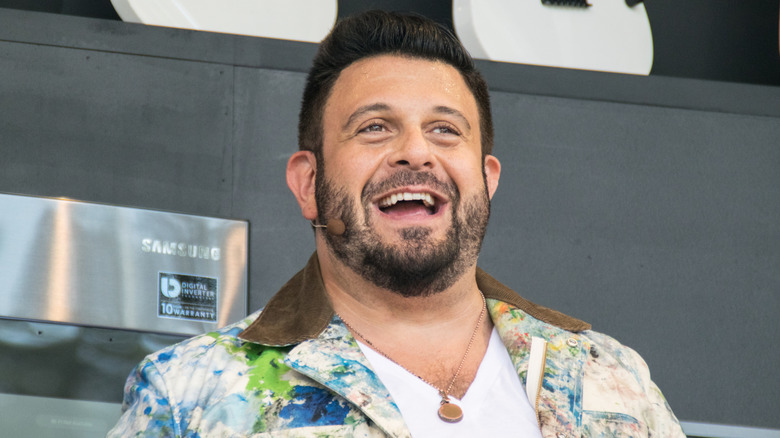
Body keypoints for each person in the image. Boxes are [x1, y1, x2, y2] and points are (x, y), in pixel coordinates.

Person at [109, 10, 685, 437]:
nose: (415, 152)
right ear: (308, 183)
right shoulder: (191, 393)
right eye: (374, 128)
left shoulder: (614, 381)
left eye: (445, 130)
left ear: (487, 180)